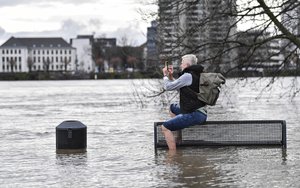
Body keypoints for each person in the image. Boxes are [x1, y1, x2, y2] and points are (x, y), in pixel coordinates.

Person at [161, 54, 207, 150]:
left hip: (195, 114)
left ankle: (173, 156)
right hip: (201, 112)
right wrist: (170, 77)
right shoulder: (196, 74)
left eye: (181, 63)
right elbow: (181, 88)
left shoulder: (187, 75)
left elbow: (168, 87)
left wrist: (165, 75)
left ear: (186, 65)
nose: (180, 65)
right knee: (172, 108)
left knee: (165, 127)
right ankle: (178, 139)